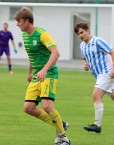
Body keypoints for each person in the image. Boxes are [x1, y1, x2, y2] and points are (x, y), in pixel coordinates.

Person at [15, 7, 70, 145]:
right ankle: (60, 123)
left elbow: (56, 53)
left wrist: (45, 70)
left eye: (19, 21)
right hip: (36, 75)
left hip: (49, 74)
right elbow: (32, 56)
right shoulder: (25, 36)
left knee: (47, 106)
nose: (17, 24)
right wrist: (30, 72)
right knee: (28, 108)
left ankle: (63, 138)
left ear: (27, 21)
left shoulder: (41, 33)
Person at [74, 22, 114, 133]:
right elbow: (84, 58)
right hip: (99, 75)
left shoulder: (98, 41)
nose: (80, 35)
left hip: (106, 72)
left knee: (96, 96)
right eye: (78, 34)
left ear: (88, 30)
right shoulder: (82, 46)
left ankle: (97, 125)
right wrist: (85, 64)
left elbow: (112, 52)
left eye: (82, 32)